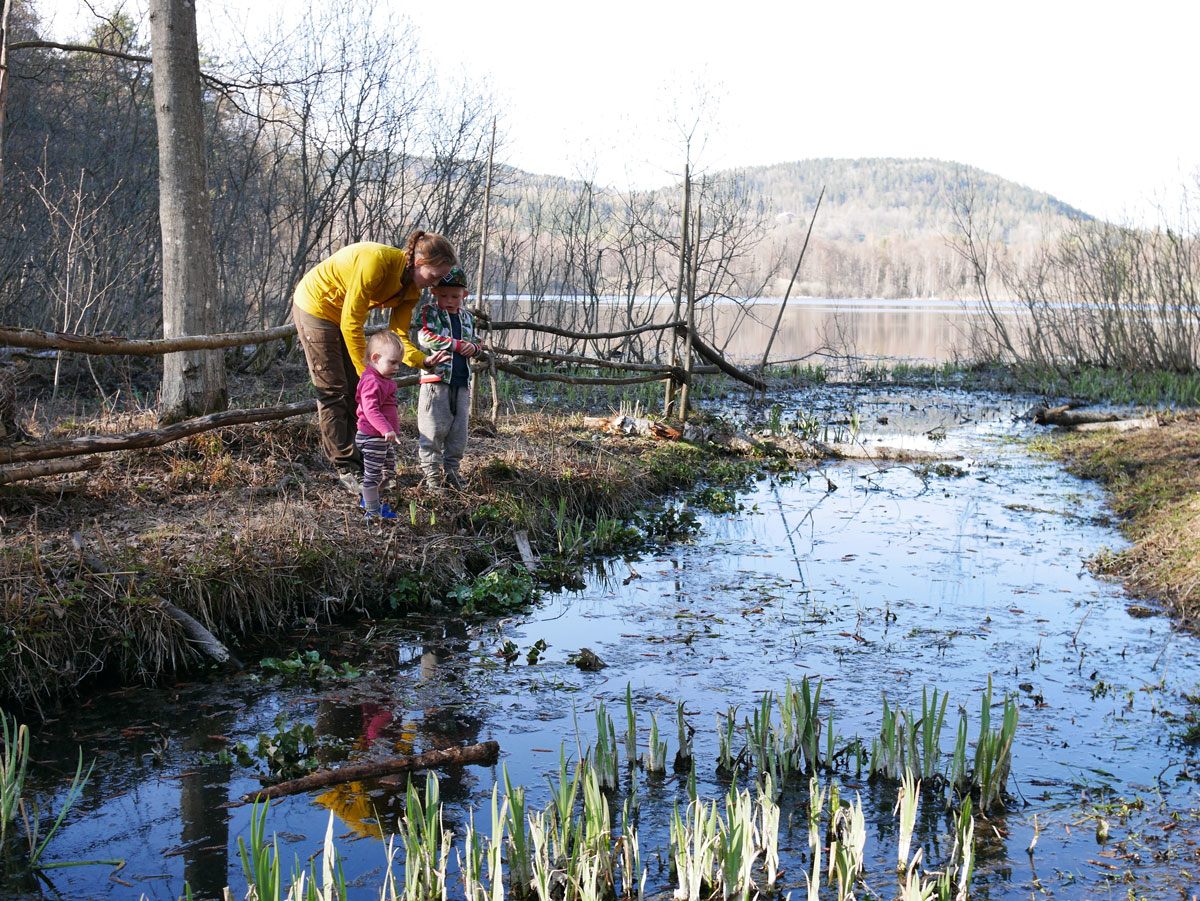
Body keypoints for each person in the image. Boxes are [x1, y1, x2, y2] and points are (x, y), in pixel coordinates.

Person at [292, 233, 455, 495]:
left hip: (343, 316)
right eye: (434, 275)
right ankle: (346, 467)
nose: (434, 284)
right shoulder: (376, 262)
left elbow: (398, 336)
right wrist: (366, 373)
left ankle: (364, 458)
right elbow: (351, 322)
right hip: (317, 306)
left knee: (357, 388)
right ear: (419, 261)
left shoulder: (411, 290)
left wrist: (422, 360)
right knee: (334, 389)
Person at [416, 266, 480, 490]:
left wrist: (474, 347)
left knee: (458, 432)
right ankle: (432, 475)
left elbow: (476, 342)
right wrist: (457, 345)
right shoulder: (430, 312)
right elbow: (426, 337)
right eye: (444, 295)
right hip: (437, 379)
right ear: (434, 292)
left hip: (461, 381)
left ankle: (452, 471)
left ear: (465, 295)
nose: (450, 300)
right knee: (432, 428)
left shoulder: (468, 318)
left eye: (455, 296)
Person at [354, 331, 405, 520]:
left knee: (389, 470)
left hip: (382, 438)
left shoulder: (383, 379)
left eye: (399, 363)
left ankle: (369, 499)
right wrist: (386, 429)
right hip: (372, 436)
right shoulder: (371, 381)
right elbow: (370, 409)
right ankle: (372, 511)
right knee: (373, 475)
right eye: (393, 362)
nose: (397, 367)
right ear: (375, 358)